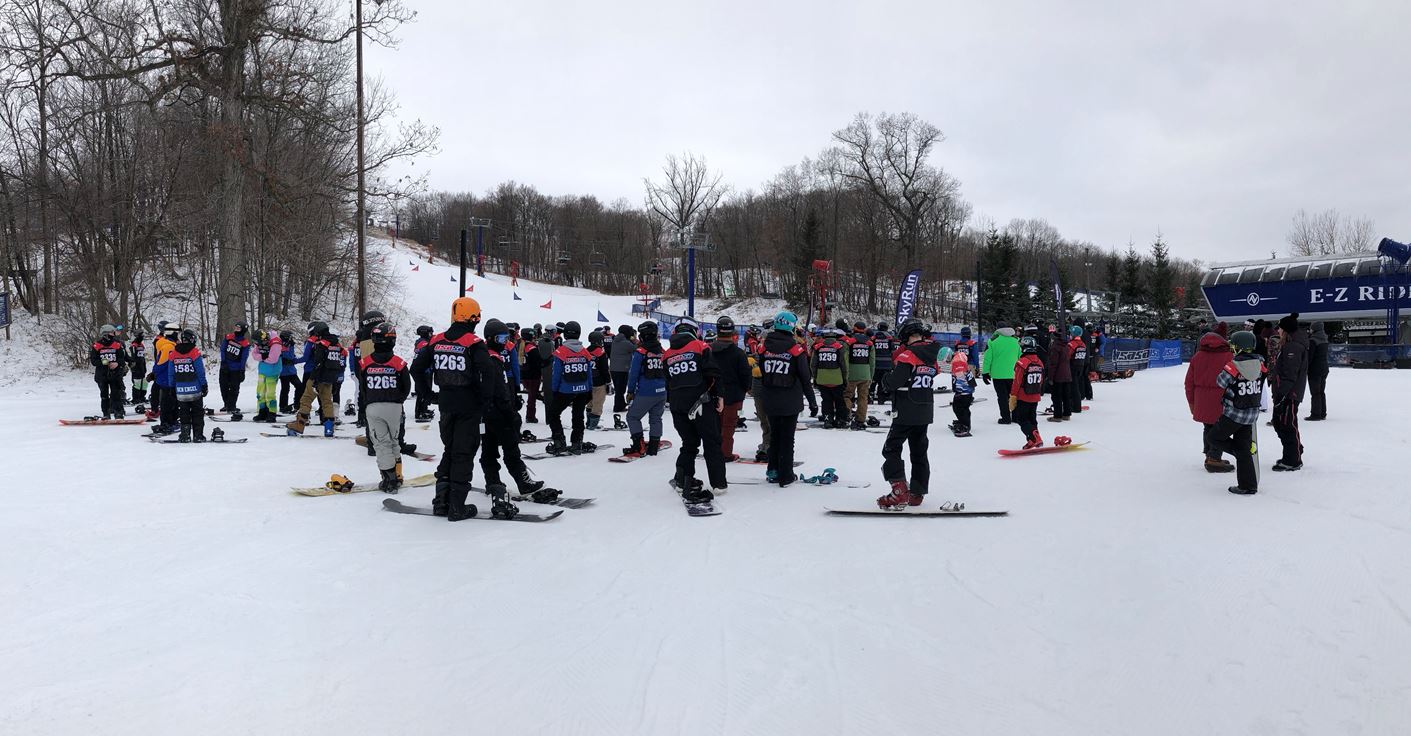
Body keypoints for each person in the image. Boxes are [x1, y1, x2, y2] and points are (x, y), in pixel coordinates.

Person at [410, 297, 502, 521]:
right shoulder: (473, 343)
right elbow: (488, 373)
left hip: (446, 404)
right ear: (474, 318)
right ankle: (457, 506)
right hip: (468, 405)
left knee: (449, 450)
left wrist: (427, 394)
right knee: (463, 453)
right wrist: (485, 400)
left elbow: (416, 368)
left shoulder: (436, 341)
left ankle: (441, 500)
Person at [480, 318, 549, 500]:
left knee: (489, 449)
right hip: (497, 413)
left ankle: (493, 482)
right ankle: (521, 482)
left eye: (506, 339)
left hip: (487, 413)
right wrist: (511, 414)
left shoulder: (486, 356)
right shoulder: (491, 359)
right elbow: (498, 390)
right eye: (502, 339)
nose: (505, 343)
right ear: (492, 338)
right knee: (509, 448)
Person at [876, 319, 941, 509]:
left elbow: (895, 381)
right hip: (925, 409)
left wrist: (885, 379)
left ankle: (899, 490)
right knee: (919, 451)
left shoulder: (908, 355)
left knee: (891, 448)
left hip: (905, 410)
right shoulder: (931, 356)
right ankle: (917, 492)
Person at [664, 319, 727, 500]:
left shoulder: (667, 354)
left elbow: (668, 381)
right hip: (702, 403)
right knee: (712, 442)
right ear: (694, 330)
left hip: (677, 405)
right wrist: (720, 396)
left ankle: (683, 480)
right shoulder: (701, 346)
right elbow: (713, 374)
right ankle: (719, 483)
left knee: (689, 444)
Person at [754, 311, 815, 487]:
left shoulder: (764, 347)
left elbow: (764, 371)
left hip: (770, 398)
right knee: (787, 438)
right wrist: (812, 402)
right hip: (790, 399)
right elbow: (805, 377)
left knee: (775, 436)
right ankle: (786, 474)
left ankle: (773, 470)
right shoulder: (796, 350)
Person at [1212, 331, 1266, 495]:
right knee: (1243, 448)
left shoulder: (1233, 366)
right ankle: (1248, 486)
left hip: (1233, 414)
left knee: (1213, 438)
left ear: (1237, 347)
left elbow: (1220, 382)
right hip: (1251, 414)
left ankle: (1239, 453)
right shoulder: (1260, 364)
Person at [359, 322, 411, 493]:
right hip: (395, 406)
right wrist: (397, 400)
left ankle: (389, 479)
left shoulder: (365, 363)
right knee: (394, 441)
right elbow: (406, 386)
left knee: (381, 443)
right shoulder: (399, 363)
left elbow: (363, 388)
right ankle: (398, 475)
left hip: (374, 406)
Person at [1184, 327, 1236, 473]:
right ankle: (1214, 459)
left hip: (1202, 399)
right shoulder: (1228, 356)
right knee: (1220, 430)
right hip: (1222, 399)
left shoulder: (1197, 356)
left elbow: (1189, 382)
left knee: (1208, 426)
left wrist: (1192, 402)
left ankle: (1210, 455)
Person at [547, 321, 595, 454]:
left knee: (553, 414)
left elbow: (556, 374)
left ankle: (559, 442)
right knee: (578, 416)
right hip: (583, 389)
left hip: (565, 390)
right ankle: (576, 443)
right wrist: (590, 389)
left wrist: (554, 390)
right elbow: (589, 373)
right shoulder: (585, 352)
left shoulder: (560, 352)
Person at [285, 321, 339, 437]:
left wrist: (314, 379)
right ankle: (329, 428)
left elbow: (318, 363)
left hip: (317, 377)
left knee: (306, 399)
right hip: (329, 378)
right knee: (327, 402)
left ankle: (299, 425)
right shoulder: (335, 344)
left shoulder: (321, 344)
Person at [624, 320, 668, 457]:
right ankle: (654, 446)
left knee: (632, 417)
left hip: (646, 392)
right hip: (662, 391)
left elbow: (633, 374)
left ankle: (639, 445)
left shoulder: (641, 352)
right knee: (656, 418)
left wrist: (630, 391)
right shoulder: (662, 351)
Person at [709, 317, 751, 461]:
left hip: (713, 394)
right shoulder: (738, 353)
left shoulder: (709, 351)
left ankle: (714, 451)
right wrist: (746, 389)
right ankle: (725, 453)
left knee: (715, 425)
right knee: (728, 426)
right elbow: (745, 374)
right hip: (733, 395)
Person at [1271, 313, 1309, 471]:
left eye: (1280, 328)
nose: (1278, 331)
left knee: (1287, 424)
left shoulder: (1293, 347)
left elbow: (1290, 374)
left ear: (1286, 330)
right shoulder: (1288, 345)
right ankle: (1294, 451)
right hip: (1284, 392)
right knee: (1279, 423)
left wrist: (1282, 395)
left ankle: (1293, 459)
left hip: (1289, 394)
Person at [165, 328, 209, 442]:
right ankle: (198, 435)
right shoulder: (194, 352)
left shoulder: (173, 354)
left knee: (183, 413)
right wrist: (204, 385)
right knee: (197, 413)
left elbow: (171, 373)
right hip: (195, 390)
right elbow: (200, 371)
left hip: (181, 391)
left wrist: (171, 387)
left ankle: (185, 435)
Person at [1010, 336, 1046, 449]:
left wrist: (1013, 396)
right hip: (1035, 396)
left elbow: (1017, 381)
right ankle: (1032, 439)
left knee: (1021, 419)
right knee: (1032, 419)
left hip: (1023, 396)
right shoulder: (1040, 362)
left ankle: (1033, 436)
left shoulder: (1022, 362)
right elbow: (1041, 380)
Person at [811, 328, 849, 428]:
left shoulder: (818, 347)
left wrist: (815, 377)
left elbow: (813, 365)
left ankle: (828, 419)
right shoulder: (839, 347)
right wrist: (845, 378)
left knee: (826, 400)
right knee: (839, 400)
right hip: (837, 379)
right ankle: (841, 419)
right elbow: (844, 365)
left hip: (822, 379)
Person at [981, 326, 1019, 424]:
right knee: (1014, 395)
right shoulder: (1016, 341)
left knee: (1002, 397)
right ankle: (1015, 416)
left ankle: (1005, 418)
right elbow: (1020, 357)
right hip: (1013, 374)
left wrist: (985, 372)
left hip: (998, 375)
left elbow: (988, 358)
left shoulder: (992, 341)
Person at [89, 324, 129, 419]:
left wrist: (117, 363)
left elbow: (122, 359)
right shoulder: (97, 345)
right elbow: (93, 361)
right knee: (104, 395)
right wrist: (104, 362)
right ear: (106, 334)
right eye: (111, 333)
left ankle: (118, 413)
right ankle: (106, 414)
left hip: (115, 374)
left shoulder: (117, 345)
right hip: (102, 375)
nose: (113, 334)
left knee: (116, 394)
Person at [842, 321, 875, 430]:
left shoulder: (849, 342)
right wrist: (871, 375)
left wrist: (845, 374)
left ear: (854, 328)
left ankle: (846, 415)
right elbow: (872, 362)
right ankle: (860, 419)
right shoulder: (870, 343)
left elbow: (845, 359)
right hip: (865, 374)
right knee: (863, 398)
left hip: (851, 373)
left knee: (847, 396)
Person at [149, 322, 180, 433]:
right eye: (177, 333)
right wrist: (154, 373)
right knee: (168, 402)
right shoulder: (168, 347)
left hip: (167, 378)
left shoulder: (168, 344)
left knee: (171, 401)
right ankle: (167, 423)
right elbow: (162, 364)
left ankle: (171, 421)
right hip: (167, 378)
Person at [217, 322, 251, 413]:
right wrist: (223, 362)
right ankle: (226, 404)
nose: (236, 330)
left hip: (235, 369)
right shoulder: (228, 337)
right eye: (235, 328)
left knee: (234, 388)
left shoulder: (245, 343)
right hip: (225, 366)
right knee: (223, 386)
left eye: (238, 328)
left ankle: (232, 406)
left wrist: (242, 370)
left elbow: (244, 357)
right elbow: (223, 349)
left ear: (243, 330)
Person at [251, 329, 283, 422]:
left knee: (270, 393)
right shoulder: (259, 341)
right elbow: (254, 354)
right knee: (260, 392)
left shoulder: (275, 342)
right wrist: (263, 357)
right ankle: (262, 411)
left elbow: (273, 359)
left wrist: (263, 358)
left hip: (273, 371)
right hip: (262, 370)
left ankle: (271, 413)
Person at [521, 327, 548, 424]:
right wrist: (549, 360)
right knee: (531, 398)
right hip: (533, 376)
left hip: (524, 375)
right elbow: (539, 362)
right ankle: (530, 416)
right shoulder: (532, 348)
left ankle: (530, 415)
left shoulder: (520, 346)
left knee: (532, 395)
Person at [1046, 329, 1073, 421]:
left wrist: (1050, 377)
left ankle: (1057, 416)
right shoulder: (1066, 346)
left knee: (1056, 396)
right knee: (1066, 395)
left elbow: (1053, 363)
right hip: (1067, 374)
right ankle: (1067, 413)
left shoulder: (1055, 347)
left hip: (1058, 375)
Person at [1306, 322, 1330, 421]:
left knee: (1315, 393)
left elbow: (1309, 357)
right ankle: (1322, 413)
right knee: (1321, 392)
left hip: (1314, 370)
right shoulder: (1325, 339)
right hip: (1324, 368)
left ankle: (1315, 414)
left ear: (1314, 329)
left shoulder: (1313, 341)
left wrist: (1305, 368)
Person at [412, 325, 437, 422]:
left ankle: (424, 408)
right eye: (430, 333)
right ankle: (420, 412)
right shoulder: (423, 343)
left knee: (425, 390)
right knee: (423, 391)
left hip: (426, 369)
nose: (431, 335)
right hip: (424, 370)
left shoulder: (422, 342)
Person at [586, 329, 610, 429]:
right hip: (599, 382)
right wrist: (608, 381)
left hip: (587, 381)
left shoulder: (585, 351)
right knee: (598, 403)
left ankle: (588, 422)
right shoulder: (600, 353)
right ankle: (593, 425)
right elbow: (604, 369)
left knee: (590, 402)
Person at [610, 324, 637, 414]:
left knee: (619, 389)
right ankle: (618, 407)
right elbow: (636, 348)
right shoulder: (626, 342)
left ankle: (620, 404)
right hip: (622, 369)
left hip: (614, 368)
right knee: (620, 390)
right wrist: (634, 340)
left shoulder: (615, 340)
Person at [948, 350, 974, 436]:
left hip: (964, 391)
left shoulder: (957, 363)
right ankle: (963, 421)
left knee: (960, 408)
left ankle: (965, 425)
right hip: (967, 390)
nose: (947, 363)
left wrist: (959, 391)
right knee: (960, 407)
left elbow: (960, 378)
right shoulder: (960, 358)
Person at [870, 323, 894, 404]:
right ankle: (881, 398)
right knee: (882, 382)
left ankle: (871, 395)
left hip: (875, 363)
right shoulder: (889, 337)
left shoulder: (874, 337)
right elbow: (892, 349)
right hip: (887, 364)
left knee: (873, 380)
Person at [1066, 325, 1088, 415]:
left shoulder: (1072, 344)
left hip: (1072, 366)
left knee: (1072, 387)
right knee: (1076, 386)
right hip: (1080, 366)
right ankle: (1076, 405)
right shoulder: (1082, 344)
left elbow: (1067, 356)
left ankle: (1075, 406)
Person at [278, 330, 300, 414]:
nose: (291, 338)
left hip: (291, 370)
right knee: (285, 388)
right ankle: (283, 407)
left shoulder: (291, 344)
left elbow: (291, 356)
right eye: (290, 337)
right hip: (283, 371)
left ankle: (297, 404)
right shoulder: (279, 345)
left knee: (299, 386)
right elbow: (287, 356)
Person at [127, 329, 148, 408]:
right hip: (136, 367)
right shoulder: (134, 345)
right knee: (137, 383)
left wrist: (144, 366)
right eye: (141, 335)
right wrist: (134, 367)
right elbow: (133, 357)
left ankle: (142, 397)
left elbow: (142, 357)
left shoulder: (141, 345)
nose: (143, 337)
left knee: (144, 383)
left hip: (142, 366)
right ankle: (136, 398)